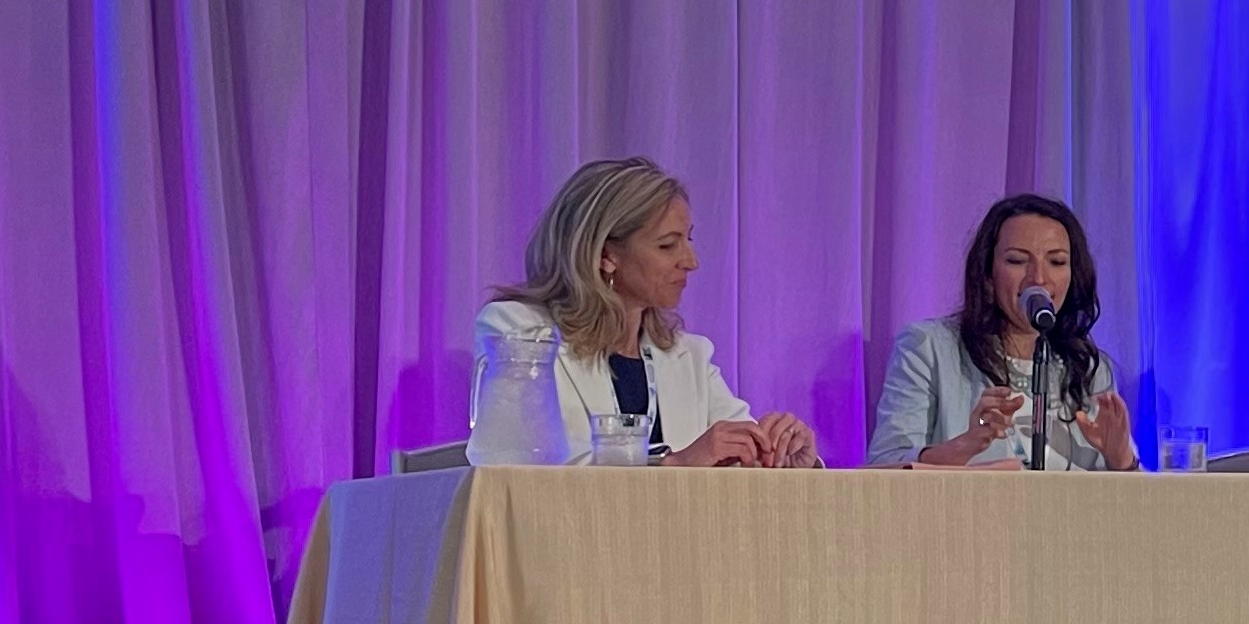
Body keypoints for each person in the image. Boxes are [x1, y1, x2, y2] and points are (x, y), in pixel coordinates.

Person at [480, 156, 819, 468]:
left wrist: (785, 457)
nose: (691, 261)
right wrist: (672, 465)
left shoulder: (690, 356)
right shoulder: (519, 332)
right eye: (667, 245)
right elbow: (522, 472)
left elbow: (741, 461)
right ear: (606, 255)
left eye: (688, 240)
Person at [869, 193, 1137, 471]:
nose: (1039, 278)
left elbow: (1132, 502)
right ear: (987, 275)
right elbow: (885, 464)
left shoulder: (1089, 366)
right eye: (1018, 261)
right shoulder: (929, 348)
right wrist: (965, 445)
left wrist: (1121, 460)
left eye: (1056, 262)